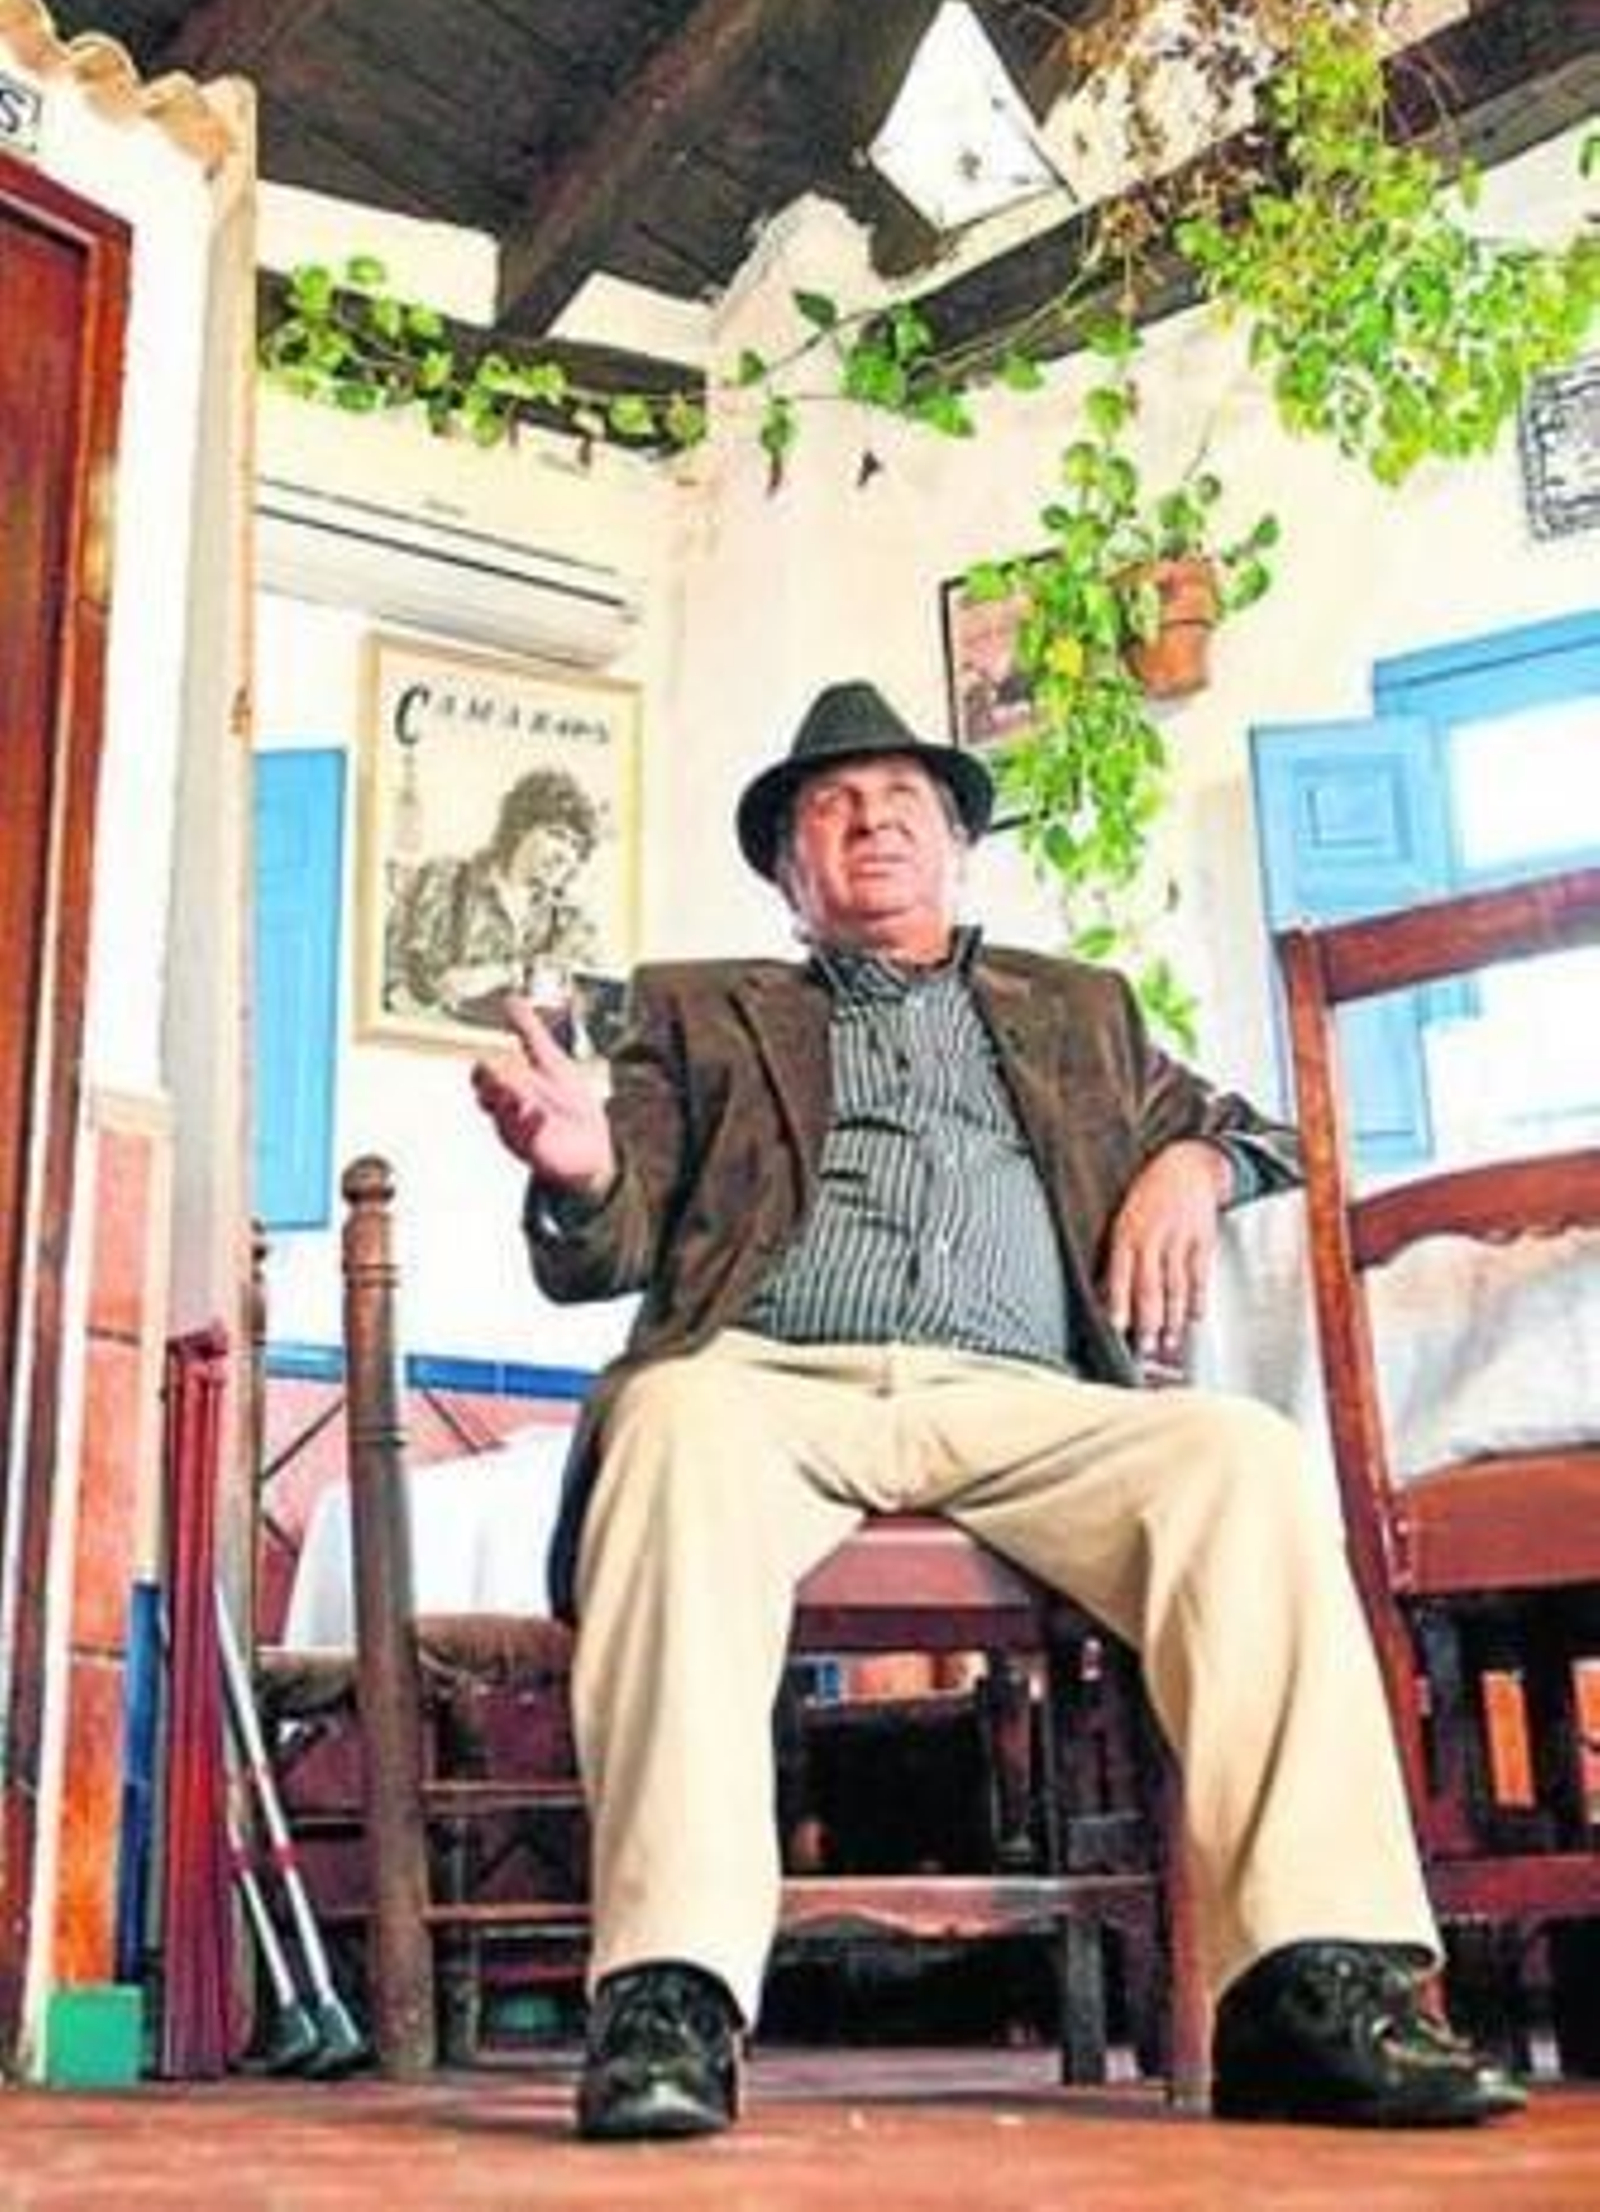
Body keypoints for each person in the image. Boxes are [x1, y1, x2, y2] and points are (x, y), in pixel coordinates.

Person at [470, 679, 1524, 2143]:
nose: (872, 821)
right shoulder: (700, 1009)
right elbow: (614, 1242)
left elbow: (1261, 1130)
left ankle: (1315, 1982)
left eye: (903, 799)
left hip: (1027, 1399)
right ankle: (670, 1997)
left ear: (958, 847)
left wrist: (1195, 1164)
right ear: (787, 872)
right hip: (772, 1382)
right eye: (832, 806)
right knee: (667, 1429)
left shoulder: (1078, 1009)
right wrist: (584, 1169)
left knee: (1243, 1457)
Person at [386, 765, 600, 1026]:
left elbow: (587, 1010)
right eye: (557, 835)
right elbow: (388, 977)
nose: (565, 856)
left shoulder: (570, 921)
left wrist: (504, 974)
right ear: (521, 827)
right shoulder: (444, 880)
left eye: (576, 847)